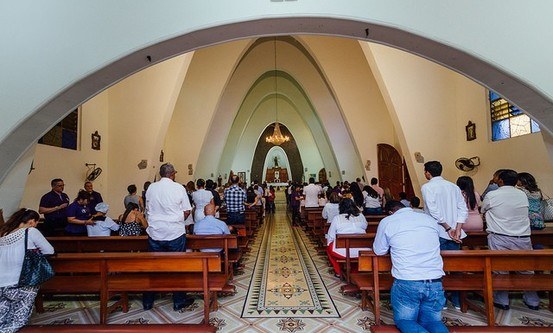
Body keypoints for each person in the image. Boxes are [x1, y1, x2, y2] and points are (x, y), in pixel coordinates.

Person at [373, 201, 448, 333]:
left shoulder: (388, 221)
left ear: (390, 212)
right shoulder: (428, 219)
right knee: (433, 321)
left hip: (407, 280)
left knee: (406, 321)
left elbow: (379, 251)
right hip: (435, 280)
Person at [481, 169, 541, 310]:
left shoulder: (492, 194)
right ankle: (532, 300)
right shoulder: (522, 195)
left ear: (500, 180)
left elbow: (483, 209)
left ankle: (502, 300)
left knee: (500, 269)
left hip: (500, 236)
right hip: (523, 236)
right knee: (526, 269)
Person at [143, 163, 193, 311]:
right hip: (174, 233)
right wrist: (176, 218)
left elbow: (148, 208)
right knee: (177, 267)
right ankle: (178, 301)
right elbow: (187, 210)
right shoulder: (178, 188)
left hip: (155, 233)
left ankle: (148, 301)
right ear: (173, 174)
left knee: (154, 267)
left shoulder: (151, 188)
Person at [421, 161, 467, 309]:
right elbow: (462, 208)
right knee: (455, 267)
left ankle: (441, 301)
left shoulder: (427, 187)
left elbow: (433, 211)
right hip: (456, 233)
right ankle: (457, 301)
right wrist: (458, 228)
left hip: (438, 232)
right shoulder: (454, 187)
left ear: (428, 172)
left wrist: (448, 228)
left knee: (435, 266)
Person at [0, 209, 54, 333]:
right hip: (22, 283)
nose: (36, 225)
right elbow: (49, 250)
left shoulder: (4, 233)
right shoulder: (31, 231)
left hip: (2, 284)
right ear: (31, 222)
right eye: (36, 223)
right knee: (18, 320)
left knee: (3, 316)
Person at [326, 198, 369, 278]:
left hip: (343, 251)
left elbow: (331, 236)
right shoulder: (361, 216)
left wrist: (329, 243)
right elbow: (365, 227)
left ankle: (338, 271)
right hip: (362, 250)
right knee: (356, 255)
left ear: (341, 207)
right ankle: (354, 271)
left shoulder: (337, 218)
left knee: (329, 249)